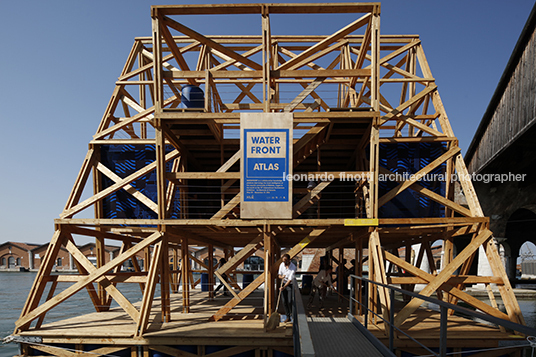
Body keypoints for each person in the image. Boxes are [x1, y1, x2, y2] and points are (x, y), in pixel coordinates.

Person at [278, 253, 297, 322]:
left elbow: (290, 279)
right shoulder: (281, 265)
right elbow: (279, 275)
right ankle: (288, 316)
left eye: (285, 260)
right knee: (284, 301)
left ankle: (293, 315)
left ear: (289, 260)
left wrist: (284, 287)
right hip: (283, 283)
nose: (284, 262)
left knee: (289, 301)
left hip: (289, 285)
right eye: (283, 261)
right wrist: (281, 277)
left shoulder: (293, 267)